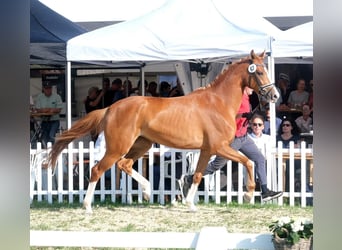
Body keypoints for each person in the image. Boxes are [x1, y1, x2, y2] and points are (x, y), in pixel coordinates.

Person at [178, 86, 283, 202]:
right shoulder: (236, 97)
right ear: (245, 87)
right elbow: (230, 116)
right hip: (233, 138)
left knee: (260, 159)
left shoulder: (247, 97)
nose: (253, 89)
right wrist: (243, 115)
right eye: (250, 87)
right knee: (216, 165)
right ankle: (189, 178)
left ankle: (265, 191)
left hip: (244, 137)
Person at [35, 81, 63, 147]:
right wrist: (47, 110)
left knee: (51, 136)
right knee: (44, 137)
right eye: (46, 88)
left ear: (52, 88)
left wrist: (49, 109)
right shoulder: (39, 97)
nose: (48, 90)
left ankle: (51, 150)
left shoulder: (57, 96)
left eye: (49, 88)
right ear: (43, 89)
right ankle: (48, 151)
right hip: (44, 121)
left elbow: (59, 109)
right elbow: (37, 109)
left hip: (54, 121)